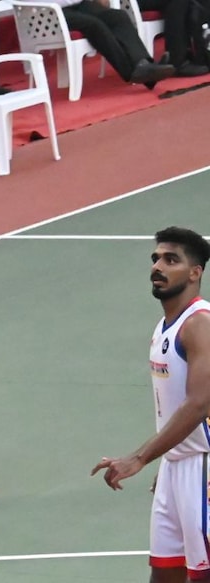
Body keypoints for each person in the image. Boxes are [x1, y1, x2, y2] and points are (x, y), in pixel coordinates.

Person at [91, 227, 210, 582]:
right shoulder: (165, 326)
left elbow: (199, 403)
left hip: (203, 467)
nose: (158, 266)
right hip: (178, 466)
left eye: (171, 260)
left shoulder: (199, 325)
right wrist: (169, 457)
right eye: (156, 258)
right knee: (164, 574)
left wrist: (141, 457)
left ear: (195, 272)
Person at [50, 0, 176, 87]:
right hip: (50, 12)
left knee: (118, 16)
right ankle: (133, 72)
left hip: (79, 5)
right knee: (95, 25)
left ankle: (143, 63)